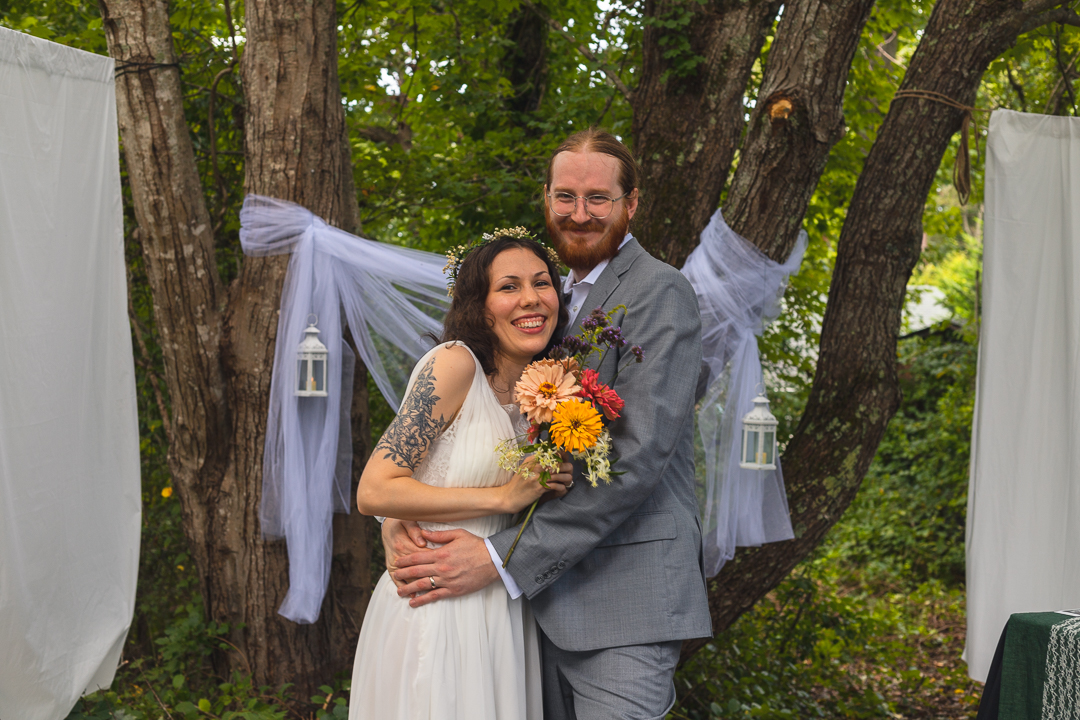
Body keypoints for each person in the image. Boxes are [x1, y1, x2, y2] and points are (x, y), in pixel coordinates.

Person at [386, 129, 713, 720]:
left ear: (630, 204)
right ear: (546, 199)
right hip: (526, 615)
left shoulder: (660, 293)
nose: (580, 213)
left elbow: (635, 460)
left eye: (598, 198)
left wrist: (500, 559)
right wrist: (399, 516)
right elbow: (473, 438)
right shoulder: (543, 299)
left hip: (623, 601)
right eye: (566, 196)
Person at [348, 232, 575, 719]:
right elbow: (375, 490)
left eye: (542, 283)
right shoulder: (454, 366)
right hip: (435, 603)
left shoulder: (555, 389)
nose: (531, 298)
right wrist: (503, 499)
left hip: (504, 608)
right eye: (509, 287)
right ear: (480, 305)